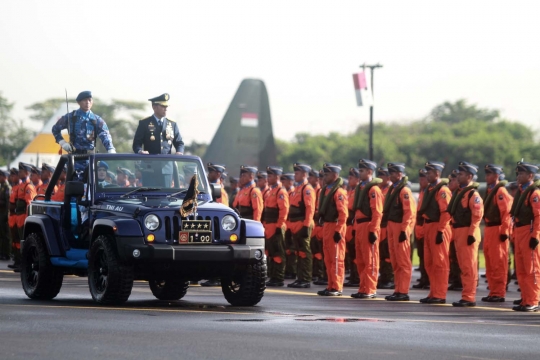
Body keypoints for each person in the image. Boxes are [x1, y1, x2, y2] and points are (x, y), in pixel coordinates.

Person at [446, 162, 483, 307]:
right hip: (459, 231)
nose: (458, 177)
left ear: (469, 176)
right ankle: (466, 295)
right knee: (463, 266)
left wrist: (472, 232)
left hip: (468, 232)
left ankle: (469, 297)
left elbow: (477, 215)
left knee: (469, 266)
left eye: (461, 174)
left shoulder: (473, 194)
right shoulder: (461, 192)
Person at [418, 161, 452, 304]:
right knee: (429, 263)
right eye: (426, 172)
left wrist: (441, 230)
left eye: (430, 172)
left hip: (438, 226)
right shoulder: (430, 189)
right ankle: (433, 292)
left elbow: (445, 213)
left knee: (440, 263)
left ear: (437, 174)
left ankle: (440, 294)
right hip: (429, 226)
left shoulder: (442, 190)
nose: (427, 175)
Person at [351, 159, 383, 299]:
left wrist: (373, 230)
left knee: (370, 259)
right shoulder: (361, 187)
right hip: (359, 225)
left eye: (362, 171)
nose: (360, 173)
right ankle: (363, 287)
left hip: (368, 225)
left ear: (370, 172)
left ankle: (370, 289)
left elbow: (377, 212)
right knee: (361, 259)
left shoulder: (373, 189)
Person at [384, 163, 416, 301]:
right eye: (390, 173)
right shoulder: (393, 189)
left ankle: (403, 291)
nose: (390, 175)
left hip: (399, 227)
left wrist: (404, 230)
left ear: (400, 174)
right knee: (395, 260)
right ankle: (398, 289)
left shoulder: (404, 191)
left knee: (403, 260)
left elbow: (409, 213)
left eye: (393, 173)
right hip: (391, 226)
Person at [511, 161, 540, 311]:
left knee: (532, 269)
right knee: (521, 269)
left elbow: (538, 216)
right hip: (520, 231)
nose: (518, 176)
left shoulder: (534, 193)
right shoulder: (522, 192)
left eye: (521, 173)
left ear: (530, 175)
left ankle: (533, 300)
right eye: (518, 173)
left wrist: (535, 235)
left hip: (529, 232)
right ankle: (526, 299)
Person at [482, 164, 512, 303]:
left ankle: (499, 293)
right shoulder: (490, 190)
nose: (487, 177)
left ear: (496, 176)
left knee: (498, 263)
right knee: (490, 262)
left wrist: (505, 231)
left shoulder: (500, 191)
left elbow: (506, 213)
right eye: (486, 174)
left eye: (490, 174)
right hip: (489, 228)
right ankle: (493, 291)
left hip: (498, 229)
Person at [52, 91, 116, 156]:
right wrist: (62, 142)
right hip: (74, 157)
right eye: (85, 100)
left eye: (89, 100)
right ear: (78, 102)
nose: (87, 102)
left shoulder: (97, 120)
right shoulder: (70, 117)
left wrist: (110, 149)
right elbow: (55, 129)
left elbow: (105, 135)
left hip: (90, 158)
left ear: (92, 102)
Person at [317, 163, 348, 296]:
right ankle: (331, 285)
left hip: (335, 226)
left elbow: (343, 213)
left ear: (335, 175)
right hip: (327, 226)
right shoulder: (326, 190)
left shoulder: (339, 192)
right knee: (328, 258)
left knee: (336, 258)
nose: (324, 177)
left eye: (327, 174)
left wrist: (338, 230)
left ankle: (337, 286)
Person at [287, 163, 316, 288]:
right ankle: (300, 278)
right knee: (299, 253)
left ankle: (305, 278)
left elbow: (310, 208)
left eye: (297, 173)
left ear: (304, 174)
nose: (295, 175)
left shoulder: (307, 189)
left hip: (302, 224)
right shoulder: (296, 189)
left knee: (305, 252)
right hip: (295, 225)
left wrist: (306, 225)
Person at [263, 166, 290, 287]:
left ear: (277, 177)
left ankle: (278, 277)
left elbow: (284, 210)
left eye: (270, 176)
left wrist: (280, 225)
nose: (268, 178)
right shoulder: (271, 191)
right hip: (268, 226)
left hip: (276, 226)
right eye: (267, 176)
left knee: (278, 253)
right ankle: (273, 276)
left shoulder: (280, 191)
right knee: (271, 253)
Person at [11, 163, 37, 272]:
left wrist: (27, 218)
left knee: (24, 241)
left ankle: (24, 264)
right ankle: (18, 261)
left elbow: (29, 203)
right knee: (17, 240)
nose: (19, 173)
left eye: (21, 171)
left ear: (26, 173)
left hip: (23, 216)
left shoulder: (28, 186)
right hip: (18, 216)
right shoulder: (21, 185)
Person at [377, 166, 395, 290]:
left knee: (388, 253)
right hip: (380, 226)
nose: (379, 178)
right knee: (382, 253)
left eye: (381, 176)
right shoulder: (379, 189)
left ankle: (389, 278)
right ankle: (383, 276)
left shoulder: (391, 190)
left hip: (388, 225)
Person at [412, 169, 430, 290]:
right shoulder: (423, 191)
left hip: (426, 227)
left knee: (428, 256)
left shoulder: (430, 192)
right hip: (420, 227)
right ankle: (424, 278)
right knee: (421, 255)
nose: (421, 180)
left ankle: (428, 279)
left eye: (423, 178)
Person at [344, 167, 361, 287]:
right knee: (351, 253)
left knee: (356, 253)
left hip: (355, 225)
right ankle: (353, 275)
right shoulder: (350, 191)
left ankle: (357, 277)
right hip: (349, 225)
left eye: (351, 178)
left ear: (357, 179)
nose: (349, 180)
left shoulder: (359, 192)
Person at [447, 169, 463, 291]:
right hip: (453, 228)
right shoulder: (455, 194)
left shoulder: (465, 193)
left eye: (453, 179)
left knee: (461, 258)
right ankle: (456, 278)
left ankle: (460, 281)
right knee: (453, 255)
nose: (451, 182)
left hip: (461, 229)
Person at [281, 173, 297, 279]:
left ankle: (292, 271)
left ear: (290, 181)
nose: (282, 183)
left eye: (285, 180)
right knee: (287, 249)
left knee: (292, 249)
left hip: (292, 224)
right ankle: (288, 270)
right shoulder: (287, 192)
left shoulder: (293, 193)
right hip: (287, 224)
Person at [7, 168, 19, 268]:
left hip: (19, 216)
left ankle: (20, 262)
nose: (12, 177)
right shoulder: (14, 187)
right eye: (11, 175)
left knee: (18, 240)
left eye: (14, 175)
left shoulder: (22, 187)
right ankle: (16, 260)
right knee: (14, 240)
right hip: (13, 216)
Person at [0, 170, 11, 260]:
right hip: (1, 213)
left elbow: (8, 202)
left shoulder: (7, 187)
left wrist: (7, 214)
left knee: (5, 235)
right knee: (1, 234)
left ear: (4, 176)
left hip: (4, 213)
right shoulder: (2, 186)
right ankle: (2, 252)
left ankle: (6, 253)